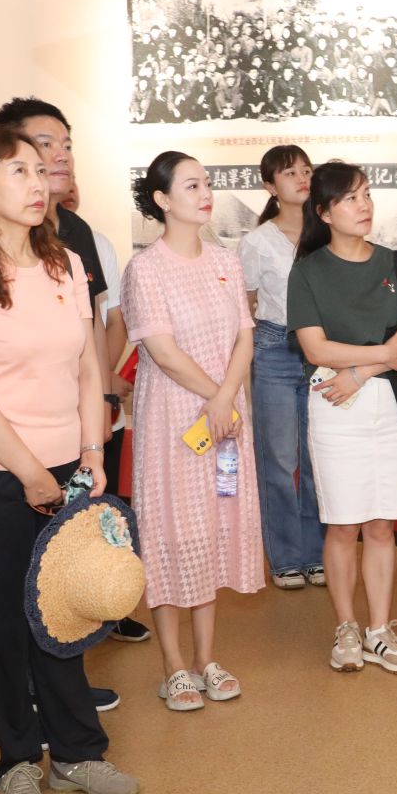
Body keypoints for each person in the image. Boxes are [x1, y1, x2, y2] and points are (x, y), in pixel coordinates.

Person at [0, 125, 139, 794]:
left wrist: (92, 452)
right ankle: (16, 758)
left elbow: (87, 367)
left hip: (66, 463)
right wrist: (28, 471)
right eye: (19, 170)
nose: (38, 181)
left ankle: (77, 752)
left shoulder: (66, 263)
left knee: (64, 610)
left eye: (41, 170)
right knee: (3, 619)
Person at [0, 97, 122, 711]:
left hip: (69, 435)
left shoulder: (75, 240)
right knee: (5, 586)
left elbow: (90, 338)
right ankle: (13, 713)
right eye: (43, 146)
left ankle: (62, 695)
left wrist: (98, 413)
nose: (59, 156)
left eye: (66, 143)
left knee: (61, 568)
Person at [122, 152, 263, 710]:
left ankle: (207, 658)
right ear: (162, 200)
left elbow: (245, 336)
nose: (205, 194)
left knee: (213, 525)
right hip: (174, 420)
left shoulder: (225, 261)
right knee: (172, 533)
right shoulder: (146, 269)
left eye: (207, 184)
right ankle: (174, 665)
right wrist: (218, 397)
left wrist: (226, 400)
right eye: (192, 186)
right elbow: (163, 351)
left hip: (224, 424)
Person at [286, 161, 397, 674]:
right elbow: (314, 347)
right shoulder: (308, 271)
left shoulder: (396, 263)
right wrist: (379, 355)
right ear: (324, 212)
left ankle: (380, 630)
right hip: (333, 403)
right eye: (350, 198)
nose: (364, 205)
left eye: (366, 194)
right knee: (344, 524)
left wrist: (361, 371)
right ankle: (346, 626)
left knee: (382, 522)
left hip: (384, 403)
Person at [62, 176, 149, 645]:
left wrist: (105, 384)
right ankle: (67, 611)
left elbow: (111, 319)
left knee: (104, 509)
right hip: (54, 411)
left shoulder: (91, 241)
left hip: (98, 405)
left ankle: (111, 607)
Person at [240, 146, 326, 590]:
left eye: (306, 170)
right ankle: (285, 558)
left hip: (322, 353)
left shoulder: (326, 230)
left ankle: (316, 554)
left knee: (316, 456)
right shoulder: (257, 242)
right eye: (290, 172)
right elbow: (245, 305)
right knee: (278, 459)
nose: (302, 178)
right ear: (270, 187)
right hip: (274, 348)